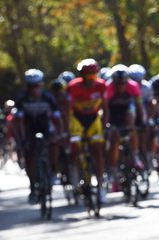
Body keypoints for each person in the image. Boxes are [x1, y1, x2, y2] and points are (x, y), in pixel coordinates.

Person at [14, 69, 63, 203]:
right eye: (31, 86)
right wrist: (21, 139)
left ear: (41, 85)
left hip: (45, 125)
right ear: (27, 86)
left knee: (54, 143)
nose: (34, 89)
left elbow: (57, 118)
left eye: (37, 85)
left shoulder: (48, 97)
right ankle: (32, 186)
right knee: (29, 155)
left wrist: (59, 134)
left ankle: (53, 170)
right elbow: (18, 122)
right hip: (29, 126)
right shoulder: (22, 98)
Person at [67, 58, 107, 202]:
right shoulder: (73, 86)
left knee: (97, 151)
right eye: (88, 76)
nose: (91, 79)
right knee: (76, 149)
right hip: (77, 120)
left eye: (93, 76)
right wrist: (67, 129)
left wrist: (105, 124)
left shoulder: (101, 85)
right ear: (82, 76)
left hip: (93, 120)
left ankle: (101, 186)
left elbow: (105, 107)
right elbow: (68, 109)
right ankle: (78, 178)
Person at [104, 64, 145, 191]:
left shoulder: (133, 86)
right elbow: (105, 109)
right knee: (114, 138)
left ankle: (135, 156)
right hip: (113, 112)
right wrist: (106, 125)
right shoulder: (108, 87)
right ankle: (114, 172)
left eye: (123, 83)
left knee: (131, 126)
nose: (121, 86)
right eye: (118, 83)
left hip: (127, 110)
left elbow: (139, 106)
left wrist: (141, 122)